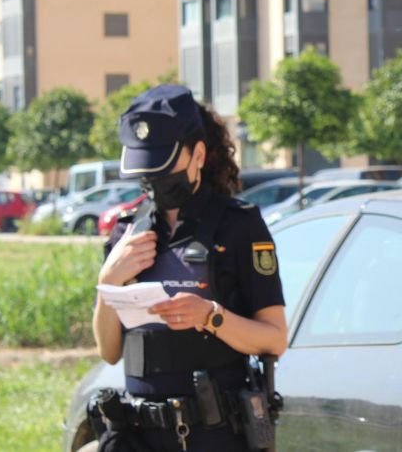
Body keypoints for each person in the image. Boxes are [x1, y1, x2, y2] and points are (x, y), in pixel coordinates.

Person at [91, 85, 288, 452]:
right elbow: (109, 351)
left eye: (164, 167)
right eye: (148, 170)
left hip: (215, 436)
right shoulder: (126, 231)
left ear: (198, 154)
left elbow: (275, 338)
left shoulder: (239, 225)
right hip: (141, 437)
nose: (156, 180)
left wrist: (210, 316)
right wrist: (108, 281)